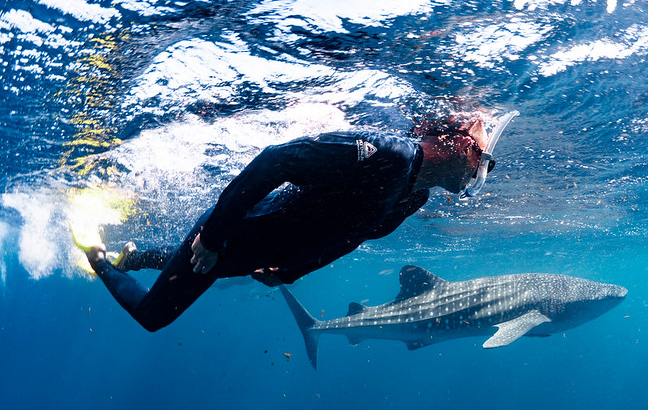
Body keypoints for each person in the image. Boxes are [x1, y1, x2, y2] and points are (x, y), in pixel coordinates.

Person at [76, 112, 514, 332]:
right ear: (453, 140)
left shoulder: (414, 195)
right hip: (233, 233)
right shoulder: (389, 154)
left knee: (188, 269)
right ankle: (95, 251)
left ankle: (135, 257)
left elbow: (351, 237)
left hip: (259, 255)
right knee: (155, 316)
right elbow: (274, 162)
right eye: (482, 154)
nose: (485, 169)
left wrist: (294, 270)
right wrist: (212, 237)